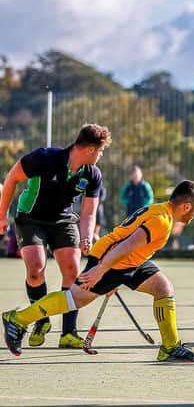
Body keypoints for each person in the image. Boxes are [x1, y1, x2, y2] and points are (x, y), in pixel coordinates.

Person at [2, 180, 194, 362]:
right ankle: (17, 319)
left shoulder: (161, 211)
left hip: (130, 262)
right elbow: (127, 245)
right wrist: (102, 270)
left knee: (163, 288)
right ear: (186, 206)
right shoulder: (161, 220)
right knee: (75, 299)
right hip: (112, 258)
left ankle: (170, 347)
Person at [0, 124, 111, 349]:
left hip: (63, 220)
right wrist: (2, 215)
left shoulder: (92, 174)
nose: (101, 156)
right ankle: (41, 319)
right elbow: (12, 178)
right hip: (30, 217)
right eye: (101, 151)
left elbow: (89, 211)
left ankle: (69, 333)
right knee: (35, 268)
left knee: (71, 268)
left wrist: (87, 237)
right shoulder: (45, 158)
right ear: (90, 149)